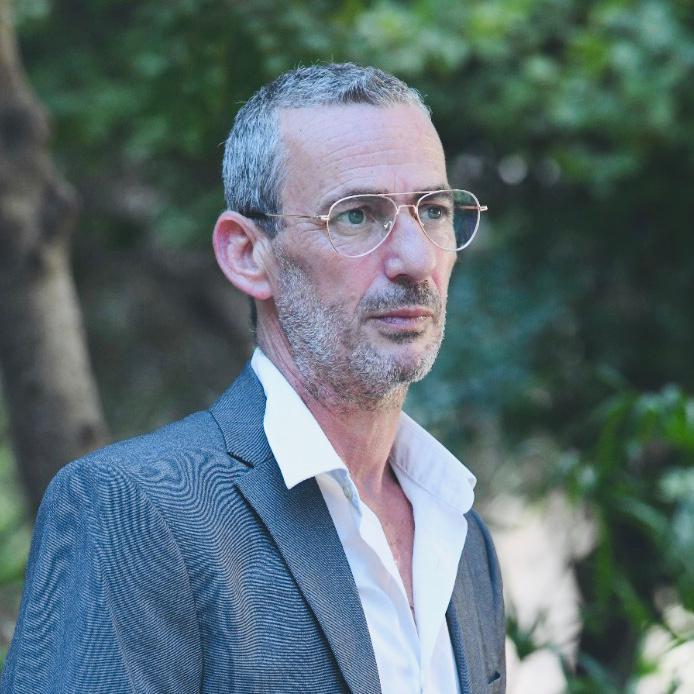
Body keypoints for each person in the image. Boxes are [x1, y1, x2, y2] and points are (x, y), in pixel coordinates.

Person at [1, 63, 505, 693]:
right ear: (247, 253)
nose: (416, 258)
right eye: (356, 216)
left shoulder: (461, 537)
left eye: (433, 210)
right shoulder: (134, 509)